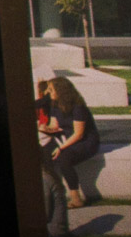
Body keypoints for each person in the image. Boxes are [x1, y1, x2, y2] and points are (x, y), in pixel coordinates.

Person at [40, 75, 101, 209]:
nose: (48, 93)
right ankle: (50, 194)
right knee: (43, 153)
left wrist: (61, 148)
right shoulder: (55, 105)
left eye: (51, 90)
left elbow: (79, 134)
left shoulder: (78, 107)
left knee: (64, 158)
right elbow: (54, 126)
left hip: (86, 142)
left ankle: (76, 198)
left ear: (61, 90)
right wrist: (45, 128)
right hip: (68, 139)